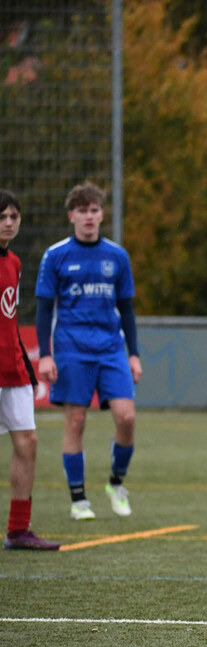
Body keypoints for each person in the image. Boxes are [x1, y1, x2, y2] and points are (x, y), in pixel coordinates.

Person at [35, 181, 143, 521]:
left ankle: (116, 483)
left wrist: (134, 353)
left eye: (94, 210)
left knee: (126, 417)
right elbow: (43, 309)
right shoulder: (56, 255)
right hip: (71, 348)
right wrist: (46, 354)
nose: (89, 217)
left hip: (111, 348)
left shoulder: (117, 255)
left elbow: (126, 309)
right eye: (82, 211)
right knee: (76, 420)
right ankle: (79, 500)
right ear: (72, 216)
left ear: (102, 214)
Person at [0, 190, 59, 550]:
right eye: (2, 216)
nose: (8, 222)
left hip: (13, 368)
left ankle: (18, 530)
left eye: (13, 216)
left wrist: (23, 358)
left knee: (28, 443)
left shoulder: (15, 263)